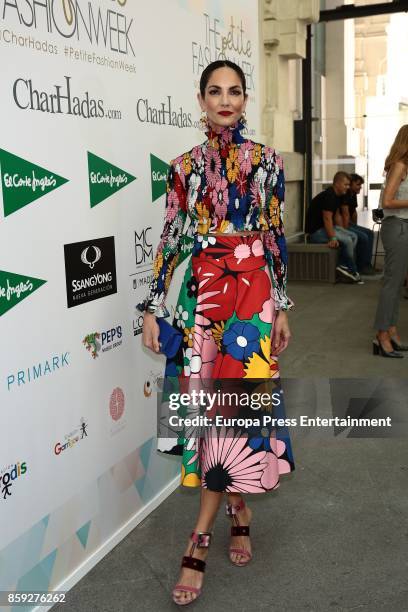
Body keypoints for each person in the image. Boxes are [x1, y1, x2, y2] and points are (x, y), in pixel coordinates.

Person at [138, 60, 295, 605]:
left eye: (234, 91)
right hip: (203, 298)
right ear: (200, 99)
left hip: (251, 299)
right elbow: (169, 241)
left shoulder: (268, 164)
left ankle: (199, 538)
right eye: (214, 91)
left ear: (246, 99)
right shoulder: (182, 168)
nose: (225, 100)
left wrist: (282, 307)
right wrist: (153, 308)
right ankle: (235, 507)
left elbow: (274, 238)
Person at [373, 124, 408, 358]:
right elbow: (387, 202)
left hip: (402, 227)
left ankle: (392, 330)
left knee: (397, 285)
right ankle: (381, 336)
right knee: (391, 284)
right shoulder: (399, 166)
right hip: (397, 227)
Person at [306, 172, 363, 283]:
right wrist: (333, 238)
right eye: (345, 185)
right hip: (315, 233)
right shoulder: (329, 196)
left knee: (353, 236)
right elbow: (327, 218)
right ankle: (352, 271)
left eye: (348, 185)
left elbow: (336, 216)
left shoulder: (338, 196)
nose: (347, 187)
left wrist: (343, 231)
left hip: (325, 228)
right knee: (347, 240)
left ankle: (342, 266)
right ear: (337, 184)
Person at [340, 173, 376, 275]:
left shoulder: (353, 194)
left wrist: (355, 226)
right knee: (363, 237)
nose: (360, 187)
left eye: (360, 185)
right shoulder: (345, 194)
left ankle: (367, 264)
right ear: (350, 185)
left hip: (349, 223)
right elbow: (345, 214)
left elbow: (353, 212)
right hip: (343, 224)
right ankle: (361, 266)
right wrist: (348, 230)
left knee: (370, 233)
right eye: (358, 185)